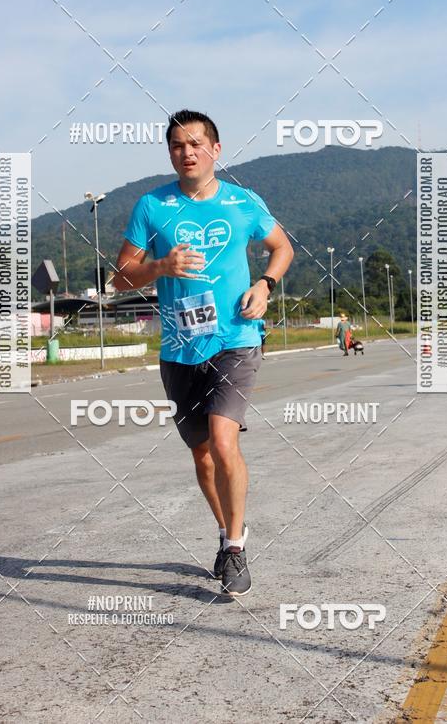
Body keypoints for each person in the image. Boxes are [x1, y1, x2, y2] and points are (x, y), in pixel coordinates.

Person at [113, 109, 294, 596]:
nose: (186, 152)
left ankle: (235, 548)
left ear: (216, 150)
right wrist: (159, 267)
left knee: (223, 440)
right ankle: (226, 528)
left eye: (195, 144)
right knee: (202, 454)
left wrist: (265, 283)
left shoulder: (243, 202)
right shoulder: (152, 206)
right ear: (170, 153)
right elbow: (120, 277)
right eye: (177, 145)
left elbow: (282, 247)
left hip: (236, 338)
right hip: (179, 346)